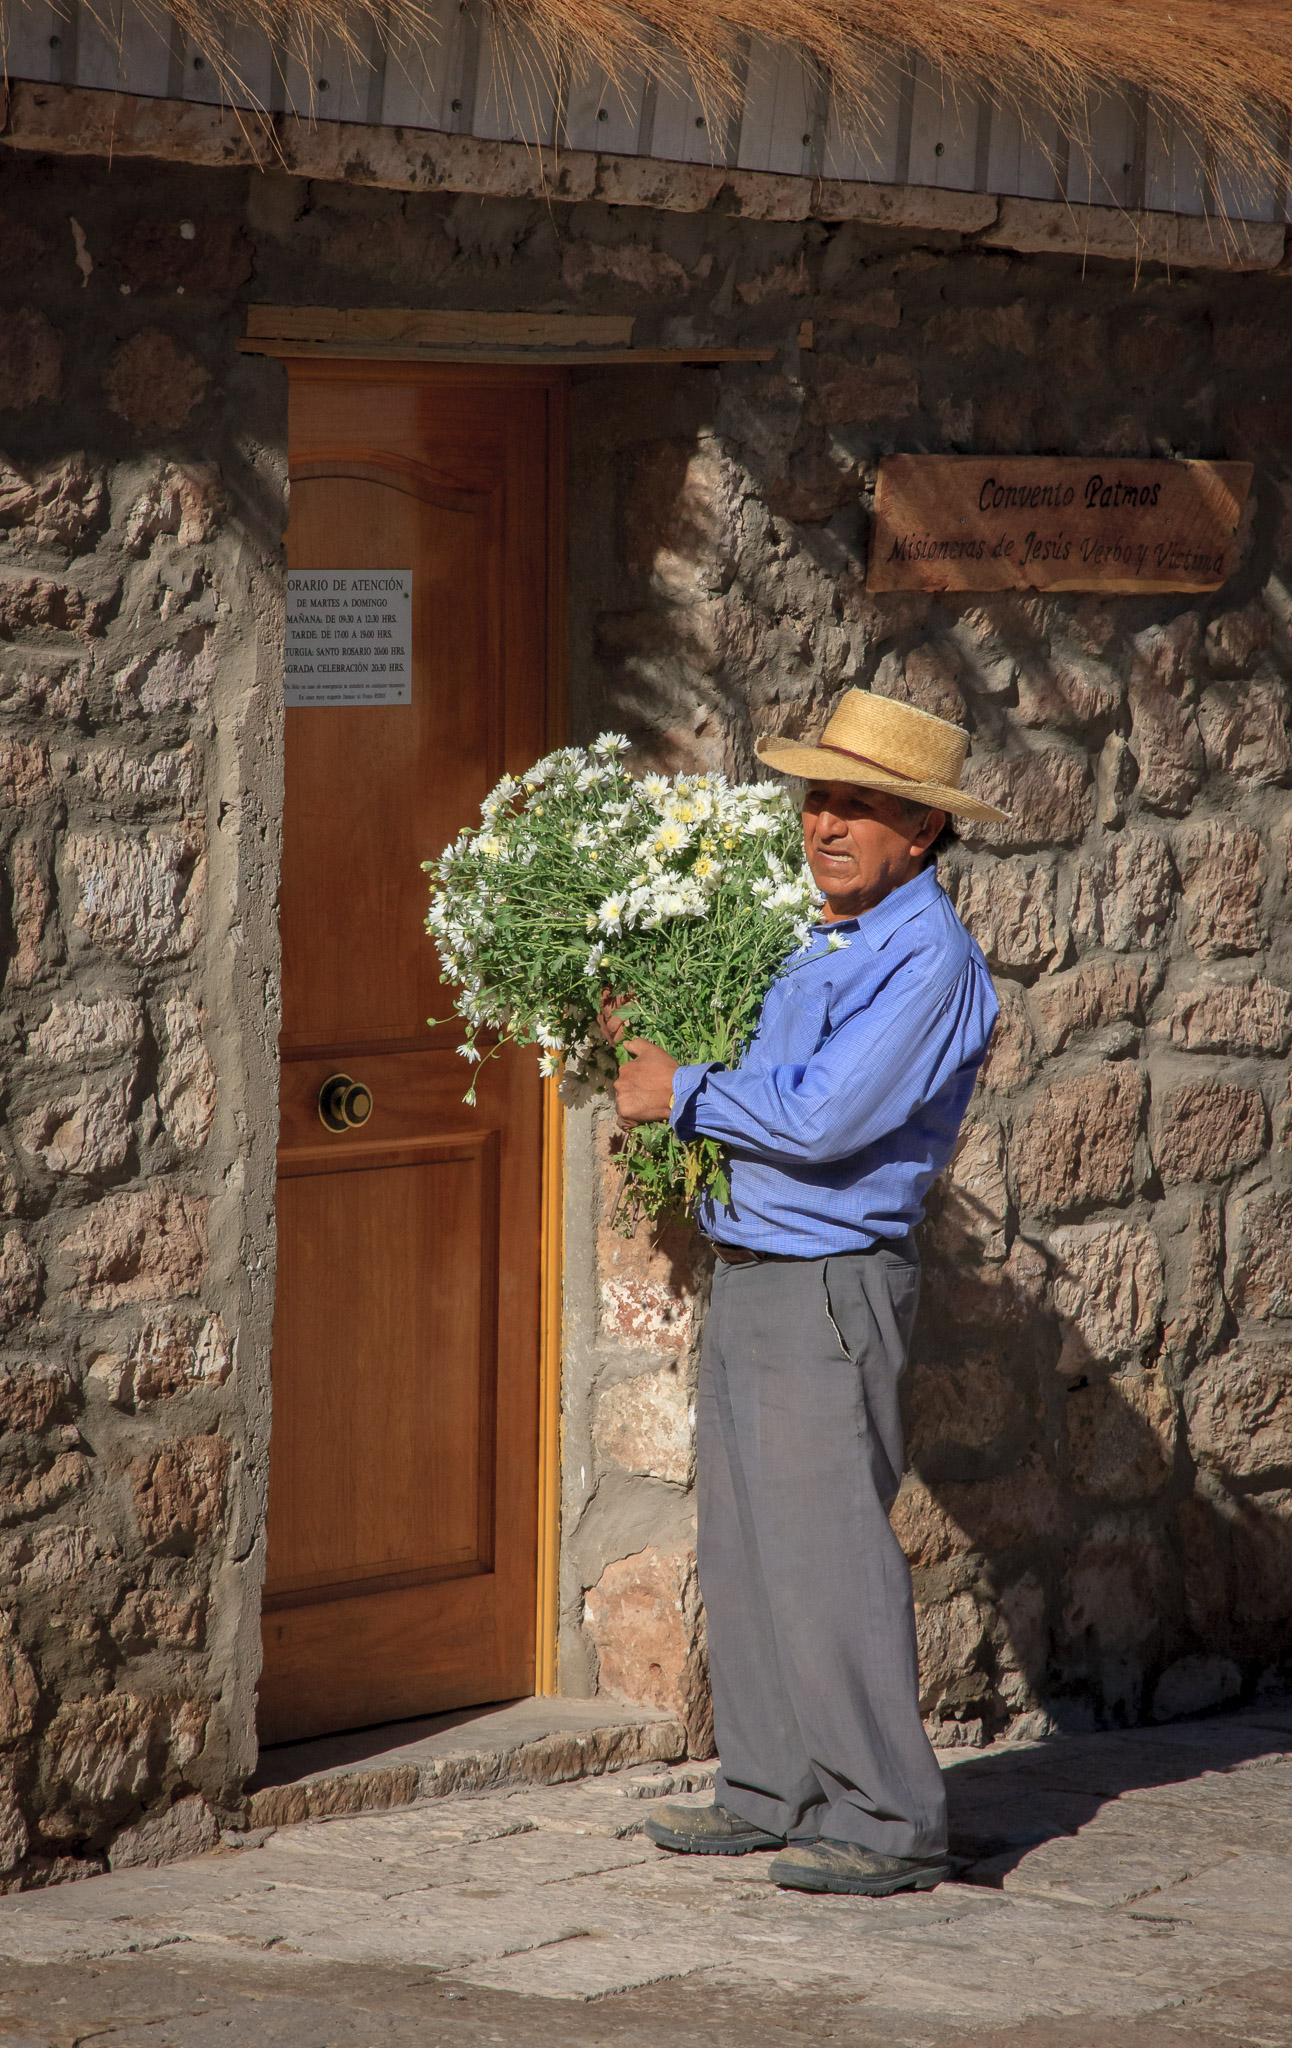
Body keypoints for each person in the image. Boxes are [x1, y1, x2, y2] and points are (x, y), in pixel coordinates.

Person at [602, 689, 1008, 1899]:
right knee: (747, 1545)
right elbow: (759, 1062)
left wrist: (679, 1089)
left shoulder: (924, 958)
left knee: (826, 1551)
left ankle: (888, 1818)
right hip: (757, 1275)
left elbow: (827, 1118)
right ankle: (770, 1788)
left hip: (828, 1285)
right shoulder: (820, 929)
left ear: (921, 831)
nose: (824, 823)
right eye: (816, 797)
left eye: (859, 805)